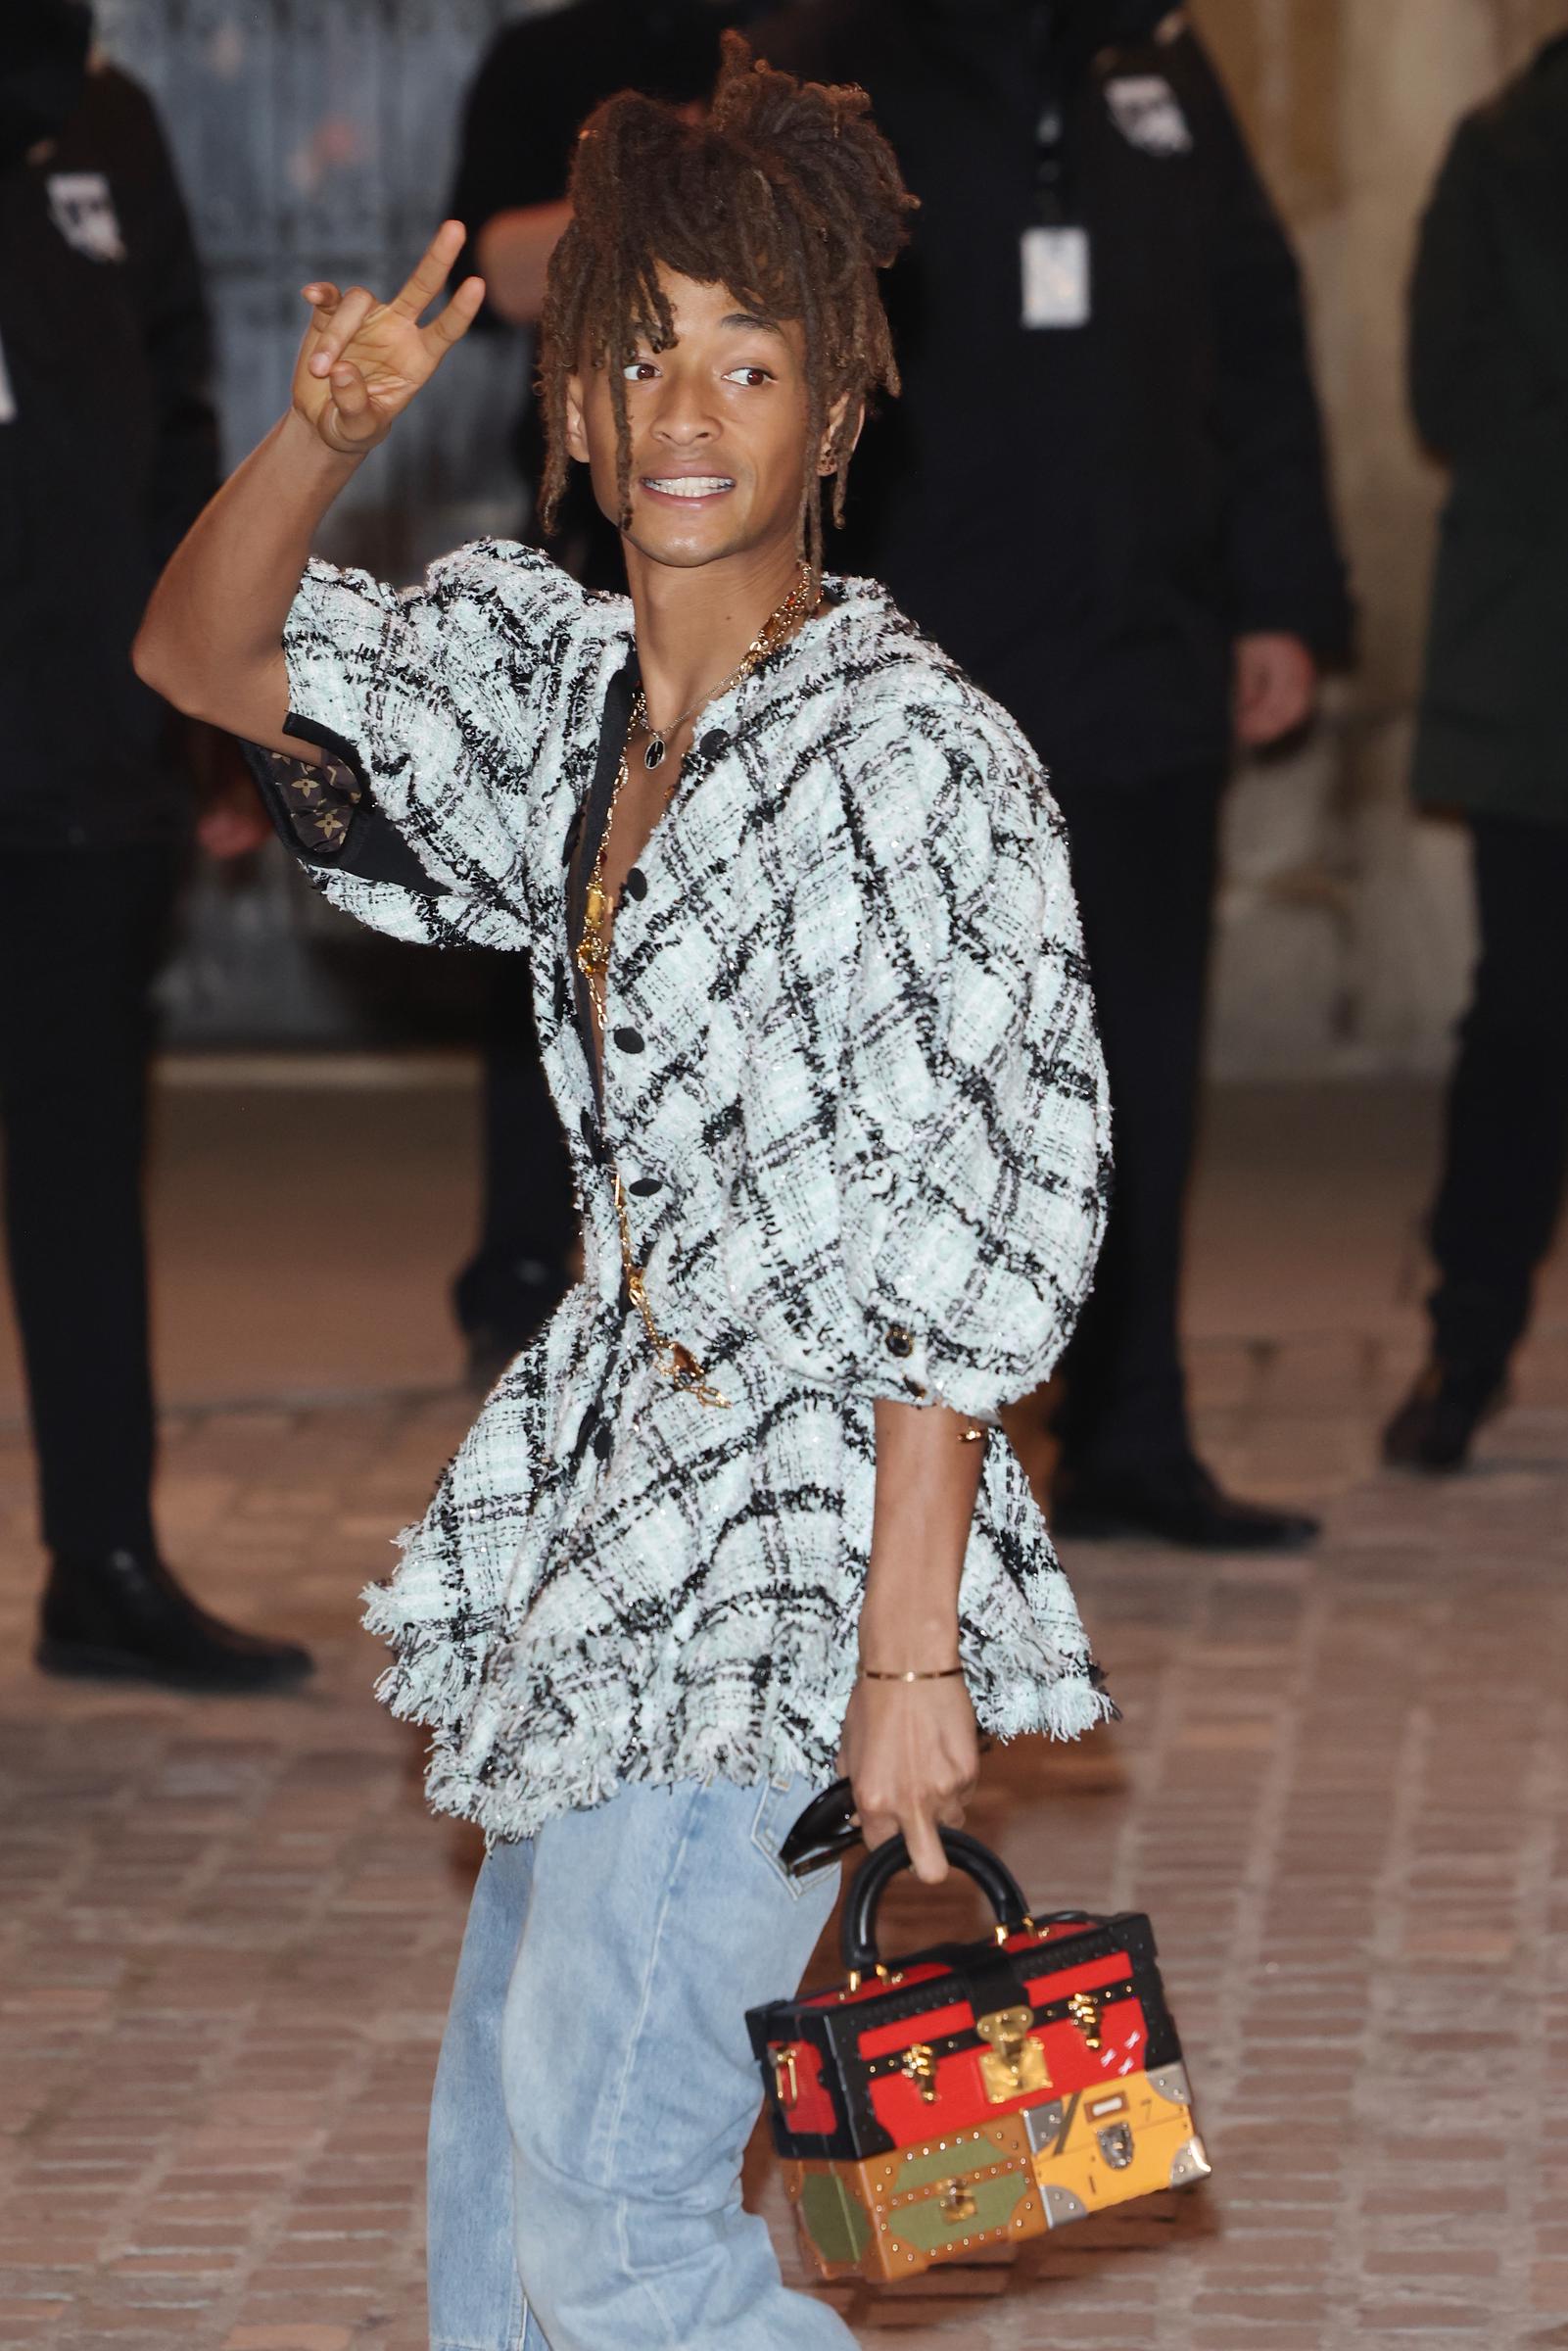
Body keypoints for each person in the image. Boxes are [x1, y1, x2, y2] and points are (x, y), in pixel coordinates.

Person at [135, 38, 1114, 2346]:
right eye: (639, 354)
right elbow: (205, 652)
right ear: (571, 407)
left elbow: (961, 1238)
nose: (689, 410)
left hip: (790, 1540)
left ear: (833, 414)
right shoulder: (561, 695)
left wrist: (908, 1660)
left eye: (750, 361)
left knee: (617, 2222)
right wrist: (326, 433)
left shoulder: (912, 758)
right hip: (611, 1516)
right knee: (510, 2167)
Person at [759, 0, 1354, 1549]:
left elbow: (1255, 321)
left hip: (1144, 665)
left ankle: (1132, 1432)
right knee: (911, 1095)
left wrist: (1282, 595)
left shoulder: (1149, 60)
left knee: (1134, 1065)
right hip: (918, 688)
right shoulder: (827, 50)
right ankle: (884, 1477)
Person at [0, 0, 310, 1693]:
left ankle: (103, 1563)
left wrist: (203, 715)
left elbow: (177, 419)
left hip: (75, 758)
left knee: (80, 1178)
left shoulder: (104, 125)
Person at [446, 0, 751, 1384]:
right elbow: (487, 273)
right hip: (596, 546)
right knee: (563, 902)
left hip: (777, 537)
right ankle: (524, 1269)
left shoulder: (814, 46)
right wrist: (662, 203)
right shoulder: (546, 60)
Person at [1383, 31, 1568, 1473]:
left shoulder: (1501, 142)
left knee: (1523, 1014)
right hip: (1539, 651)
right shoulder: (1502, 149)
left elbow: (1465, 396)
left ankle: (1464, 1339)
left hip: (1532, 633)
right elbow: (1450, 395)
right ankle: (1467, 1332)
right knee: (1525, 1018)